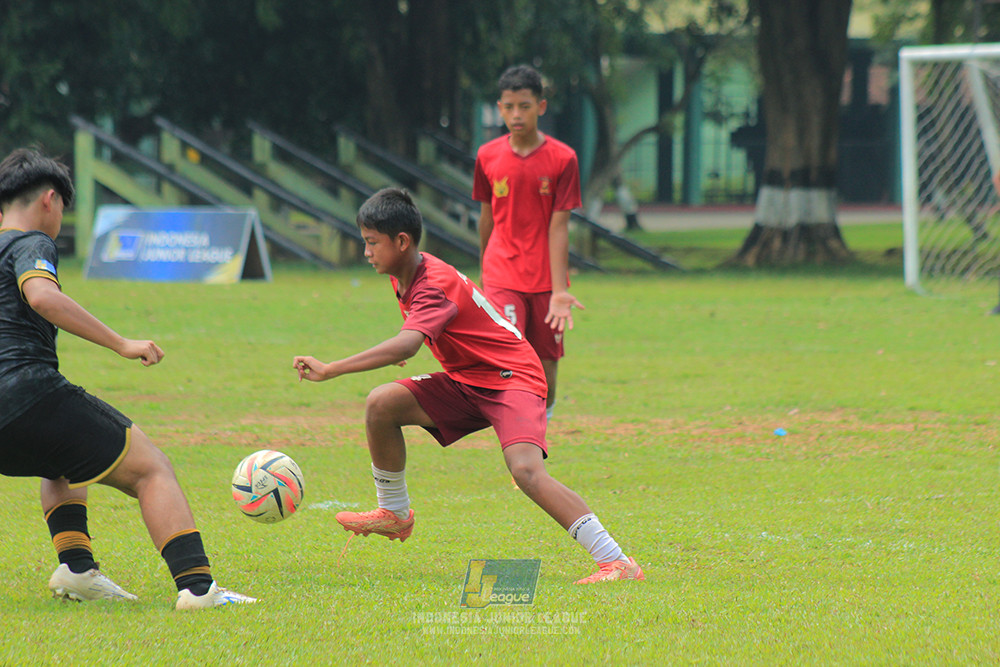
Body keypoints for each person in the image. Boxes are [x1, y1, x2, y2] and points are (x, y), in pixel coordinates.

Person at [293, 188, 643, 584]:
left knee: (526, 471)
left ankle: (618, 562)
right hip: (470, 379)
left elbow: (407, 343)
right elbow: (426, 330)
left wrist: (332, 369)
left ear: (402, 241)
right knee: (382, 403)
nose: (366, 252)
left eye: (372, 242)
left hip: (512, 378)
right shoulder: (404, 275)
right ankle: (394, 513)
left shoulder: (432, 282)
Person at [0, 148, 254, 609]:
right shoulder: (30, 242)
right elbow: (41, 297)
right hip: (25, 389)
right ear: (50, 200)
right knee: (152, 468)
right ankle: (198, 589)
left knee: (60, 459)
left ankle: (77, 570)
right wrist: (120, 342)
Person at [473, 64, 584, 420]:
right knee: (510, 358)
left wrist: (559, 291)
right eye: (508, 107)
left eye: (524, 106)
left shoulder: (563, 159)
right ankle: (516, 438)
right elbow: (487, 218)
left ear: (541, 106)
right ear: (499, 108)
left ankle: (538, 430)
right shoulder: (487, 156)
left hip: (545, 280)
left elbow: (559, 227)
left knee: (546, 372)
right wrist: (484, 273)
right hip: (502, 274)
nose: (516, 114)